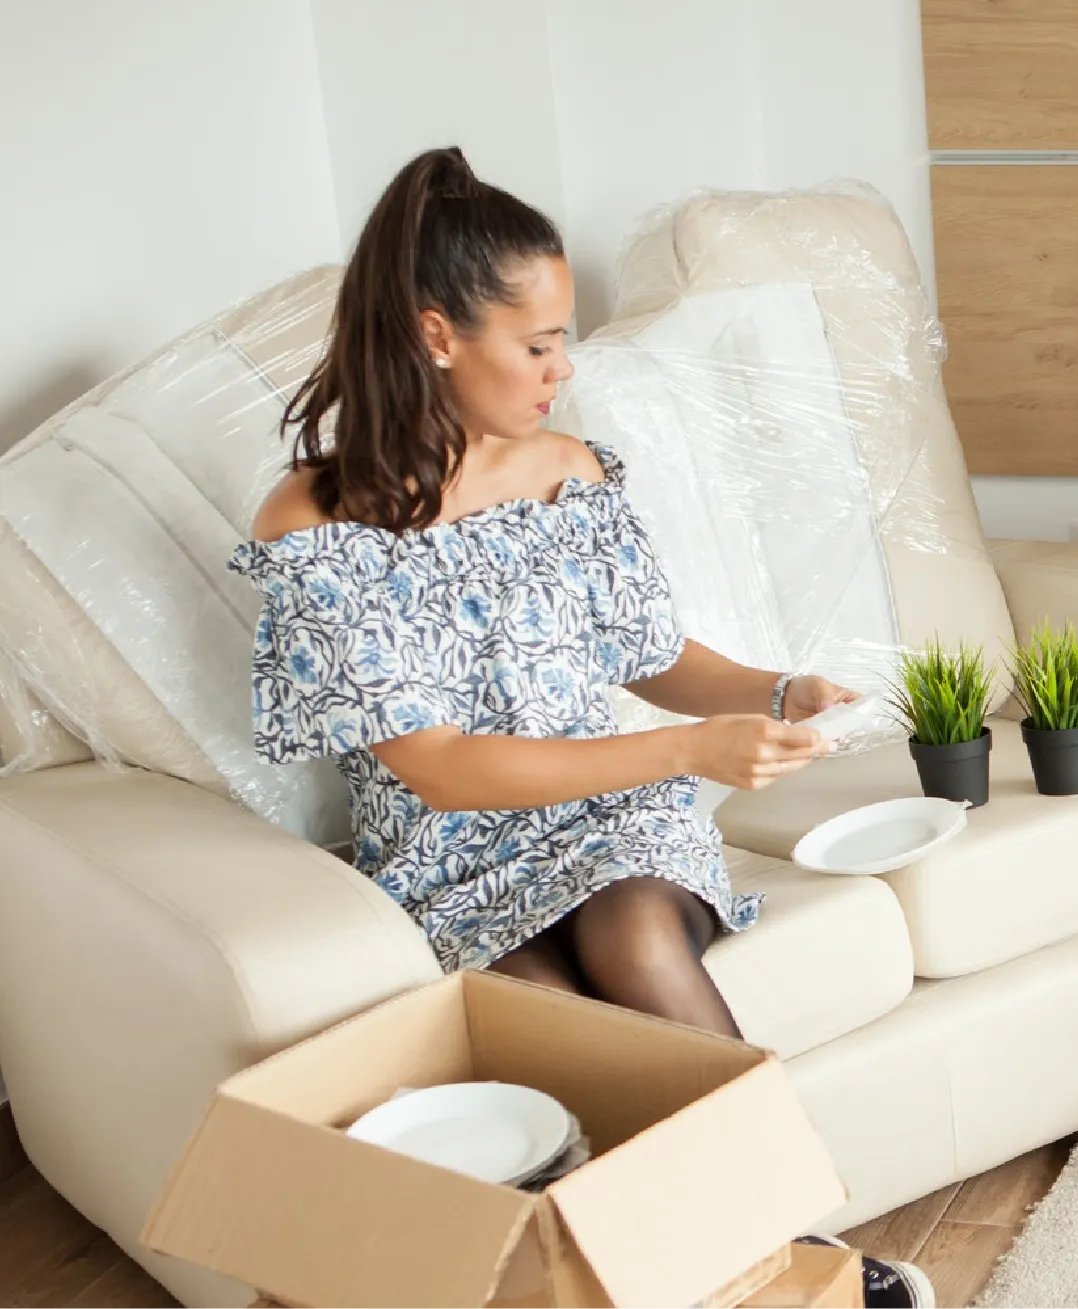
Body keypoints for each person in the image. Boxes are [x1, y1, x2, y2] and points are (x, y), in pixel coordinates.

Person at [231, 146, 935, 1307]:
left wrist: (774, 691)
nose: (564, 367)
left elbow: (654, 658)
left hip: (614, 824)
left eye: (564, 340)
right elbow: (439, 769)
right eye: (539, 343)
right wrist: (691, 750)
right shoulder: (316, 524)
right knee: (548, 1031)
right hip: (448, 858)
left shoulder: (570, 473)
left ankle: (806, 1255)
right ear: (437, 335)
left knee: (637, 943)